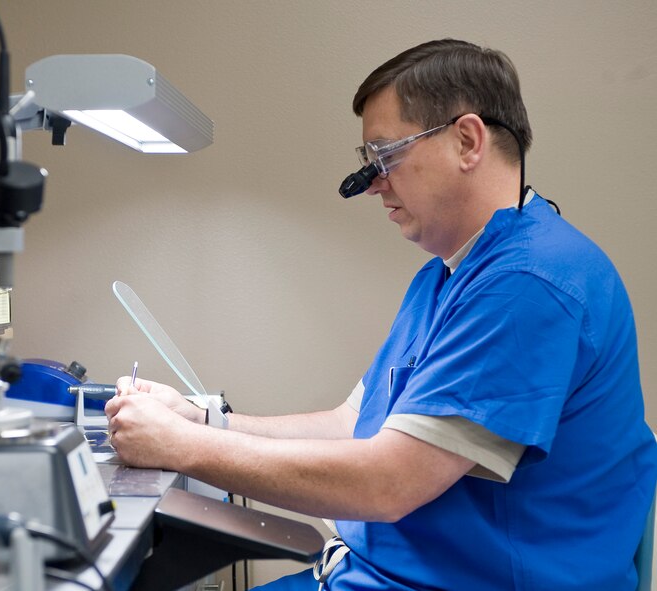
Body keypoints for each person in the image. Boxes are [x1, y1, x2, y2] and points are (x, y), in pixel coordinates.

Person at [105, 39, 657, 590]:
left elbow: (388, 484)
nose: (372, 184)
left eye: (387, 155)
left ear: (467, 140)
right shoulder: (448, 275)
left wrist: (179, 446)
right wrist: (203, 420)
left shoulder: (527, 285)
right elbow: (353, 425)